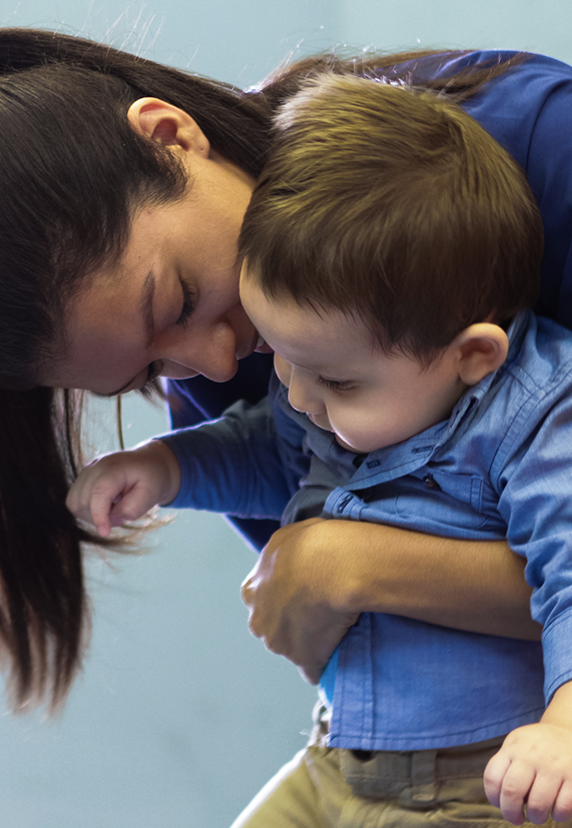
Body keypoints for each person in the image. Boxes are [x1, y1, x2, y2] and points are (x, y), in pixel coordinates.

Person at [0, 27, 559, 716]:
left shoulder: (530, 140)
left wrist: (356, 565)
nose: (214, 361)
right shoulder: (215, 389)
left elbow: (350, 578)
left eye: (181, 299)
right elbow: (391, 637)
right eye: (148, 370)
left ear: (170, 134)